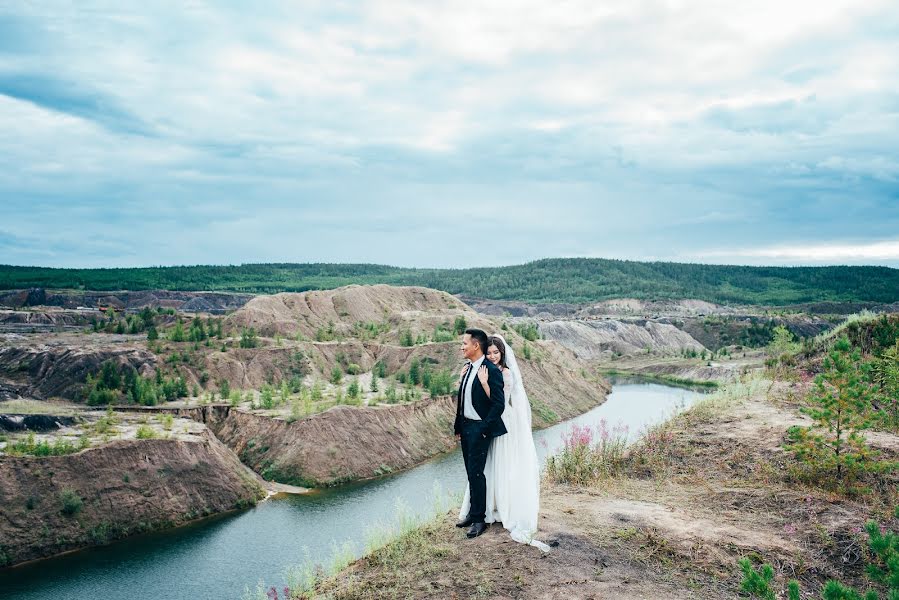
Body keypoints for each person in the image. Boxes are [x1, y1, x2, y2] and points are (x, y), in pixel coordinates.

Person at [458, 334, 549, 551]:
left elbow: (497, 401)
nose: (492, 356)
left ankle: (498, 508)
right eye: (489, 353)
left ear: (503, 353)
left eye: (496, 353)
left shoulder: (504, 373)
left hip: (502, 422)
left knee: (501, 464)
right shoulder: (479, 368)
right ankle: (484, 508)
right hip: (480, 424)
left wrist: (483, 382)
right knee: (485, 467)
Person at [454, 328, 506, 539]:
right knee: (470, 472)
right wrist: (458, 426)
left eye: (465, 343)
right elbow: (463, 399)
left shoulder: (490, 370)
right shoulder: (468, 368)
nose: (462, 347)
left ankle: (479, 520)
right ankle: (472, 514)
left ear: (476, 345)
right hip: (466, 427)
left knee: (477, 473)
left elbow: (498, 405)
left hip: (479, 429)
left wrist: (484, 428)